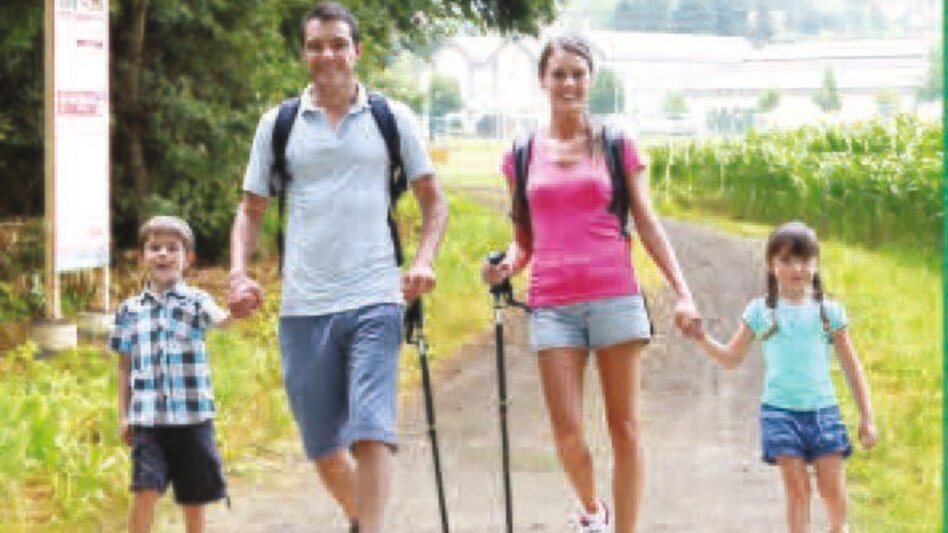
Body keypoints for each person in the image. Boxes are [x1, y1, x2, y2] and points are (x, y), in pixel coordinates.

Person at [227, 3, 447, 532]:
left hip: (376, 296)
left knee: (372, 428)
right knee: (323, 448)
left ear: (357, 51)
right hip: (303, 305)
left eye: (337, 44)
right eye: (315, 46)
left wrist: (422, 261)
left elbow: (433, 202)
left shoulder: (391, 118)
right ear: (304, 53)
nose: (327, 55)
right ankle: (362, 518)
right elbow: (251, 210)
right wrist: (238, 272)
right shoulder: (279, 124)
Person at [482, 35, 701, 533]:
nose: (569, 83)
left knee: (625, 429)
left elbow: (646, 223)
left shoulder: (616, 145)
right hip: (552, 304)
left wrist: (683, 290)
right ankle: (592, 510)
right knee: (566, 431)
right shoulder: (521, 154)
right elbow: (523, 241)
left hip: (614, 297)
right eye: (559, 74)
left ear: (591, 80)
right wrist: (505, 267)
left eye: (578, 74)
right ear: (542, 80)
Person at [692, 221, 877, 533]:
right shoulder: (761, 312)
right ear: (771, 264)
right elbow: (731, 358)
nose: (796, 269)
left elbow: (851, 367)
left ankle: (838, 527)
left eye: (804, 260)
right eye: (786, 260)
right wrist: (701, 338)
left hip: (823, 412)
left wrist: (866, 417)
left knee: (832, 490)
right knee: (797, 490)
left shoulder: (828, 313)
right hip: (779, 414)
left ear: (816, 264)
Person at [109, 215, 230, 533]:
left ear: (187, 258)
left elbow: (221, 320)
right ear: (142, 257)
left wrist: (239, 309)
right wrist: (123, 416)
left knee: (194, 495)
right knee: (145, 489)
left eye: (172, 248)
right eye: (155, 248)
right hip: (147, 421)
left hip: (193, 419)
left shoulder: (197, 301)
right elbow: (123, 367)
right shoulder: (129, 311)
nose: (163, 254)